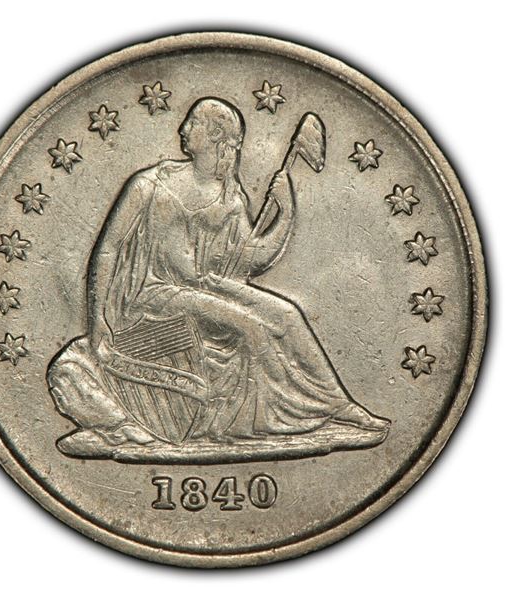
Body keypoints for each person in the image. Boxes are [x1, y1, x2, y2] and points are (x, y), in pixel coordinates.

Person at [47, 97, 389, 454]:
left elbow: (251, 260)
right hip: (152, 296)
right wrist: (98, 317)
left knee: (287, 314)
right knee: (250, 327)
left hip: (204, 287)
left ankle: (338, 405)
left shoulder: (230, 197)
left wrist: (285, 212)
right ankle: (285, 417)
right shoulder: (149, 185)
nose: (183, 129)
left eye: (193, 123)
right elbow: (108, 248)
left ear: (215, 136)